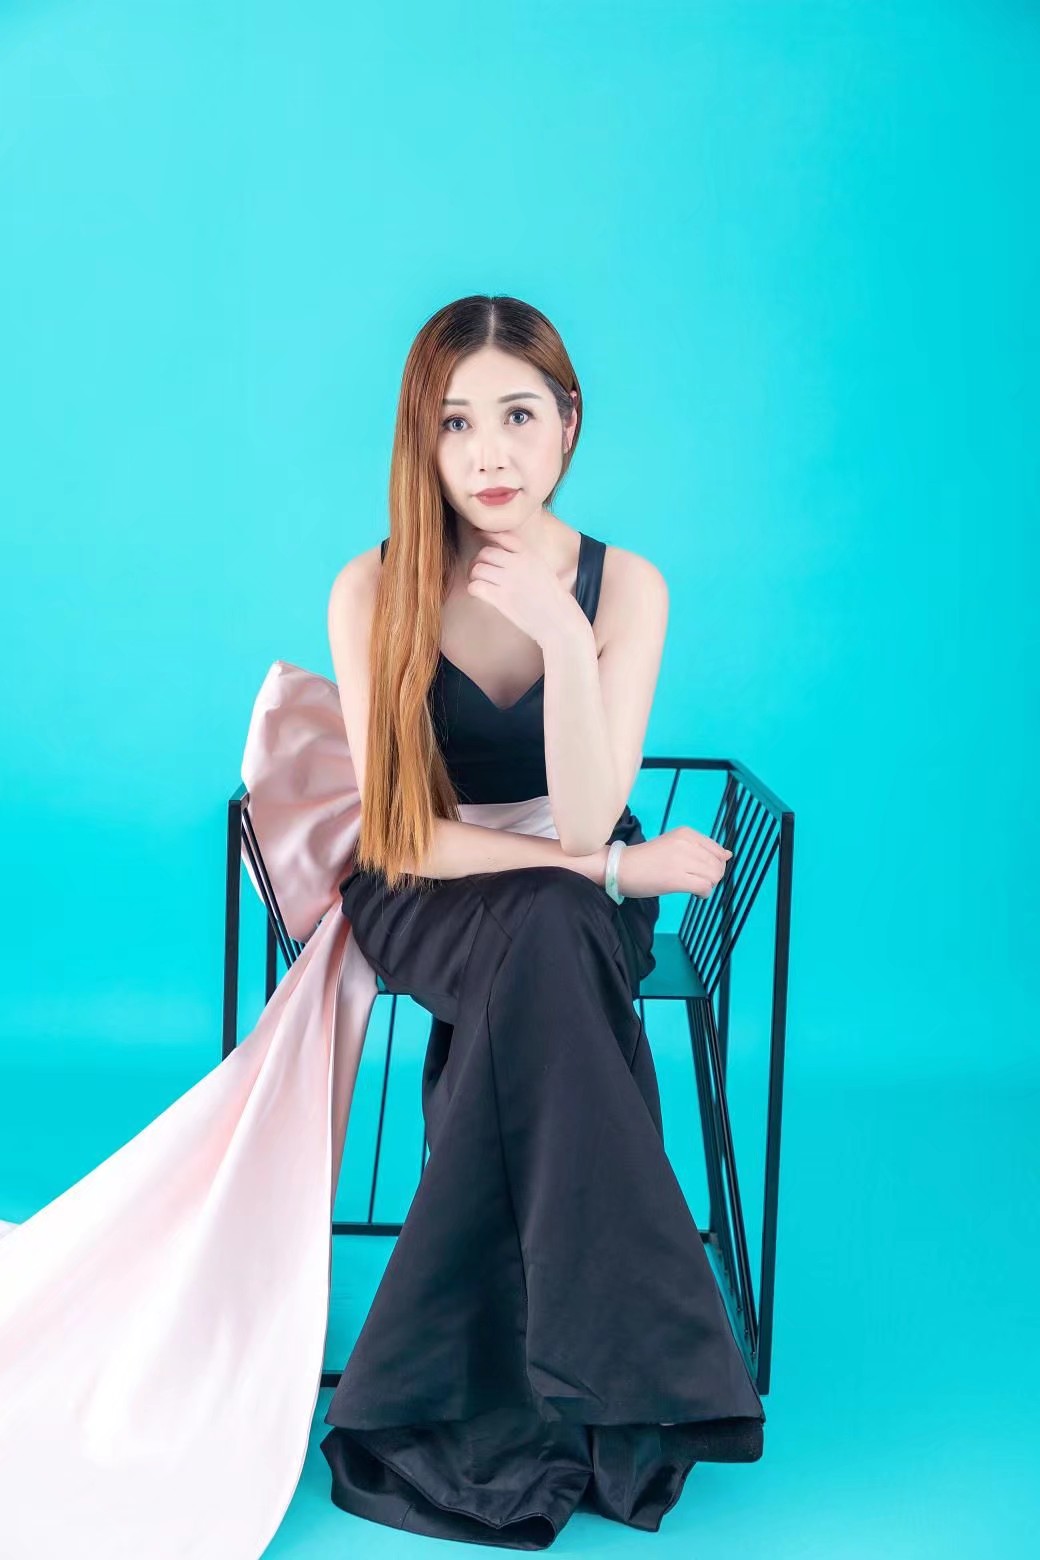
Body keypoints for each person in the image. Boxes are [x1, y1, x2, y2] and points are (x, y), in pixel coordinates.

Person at [318, 293, 766, 1547]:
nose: (488, 455)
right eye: (454, 423)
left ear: (568, 422)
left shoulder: (627, 588)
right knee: (554, 926)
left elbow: (579, 811)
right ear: (421, 438)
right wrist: (617, 874)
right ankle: (640, 1390)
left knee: (550, 933)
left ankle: (441, 1389)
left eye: (517, 416)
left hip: (567, 895)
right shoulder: (373, 587)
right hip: (432, 887)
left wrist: (566, 640)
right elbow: (403, 835)